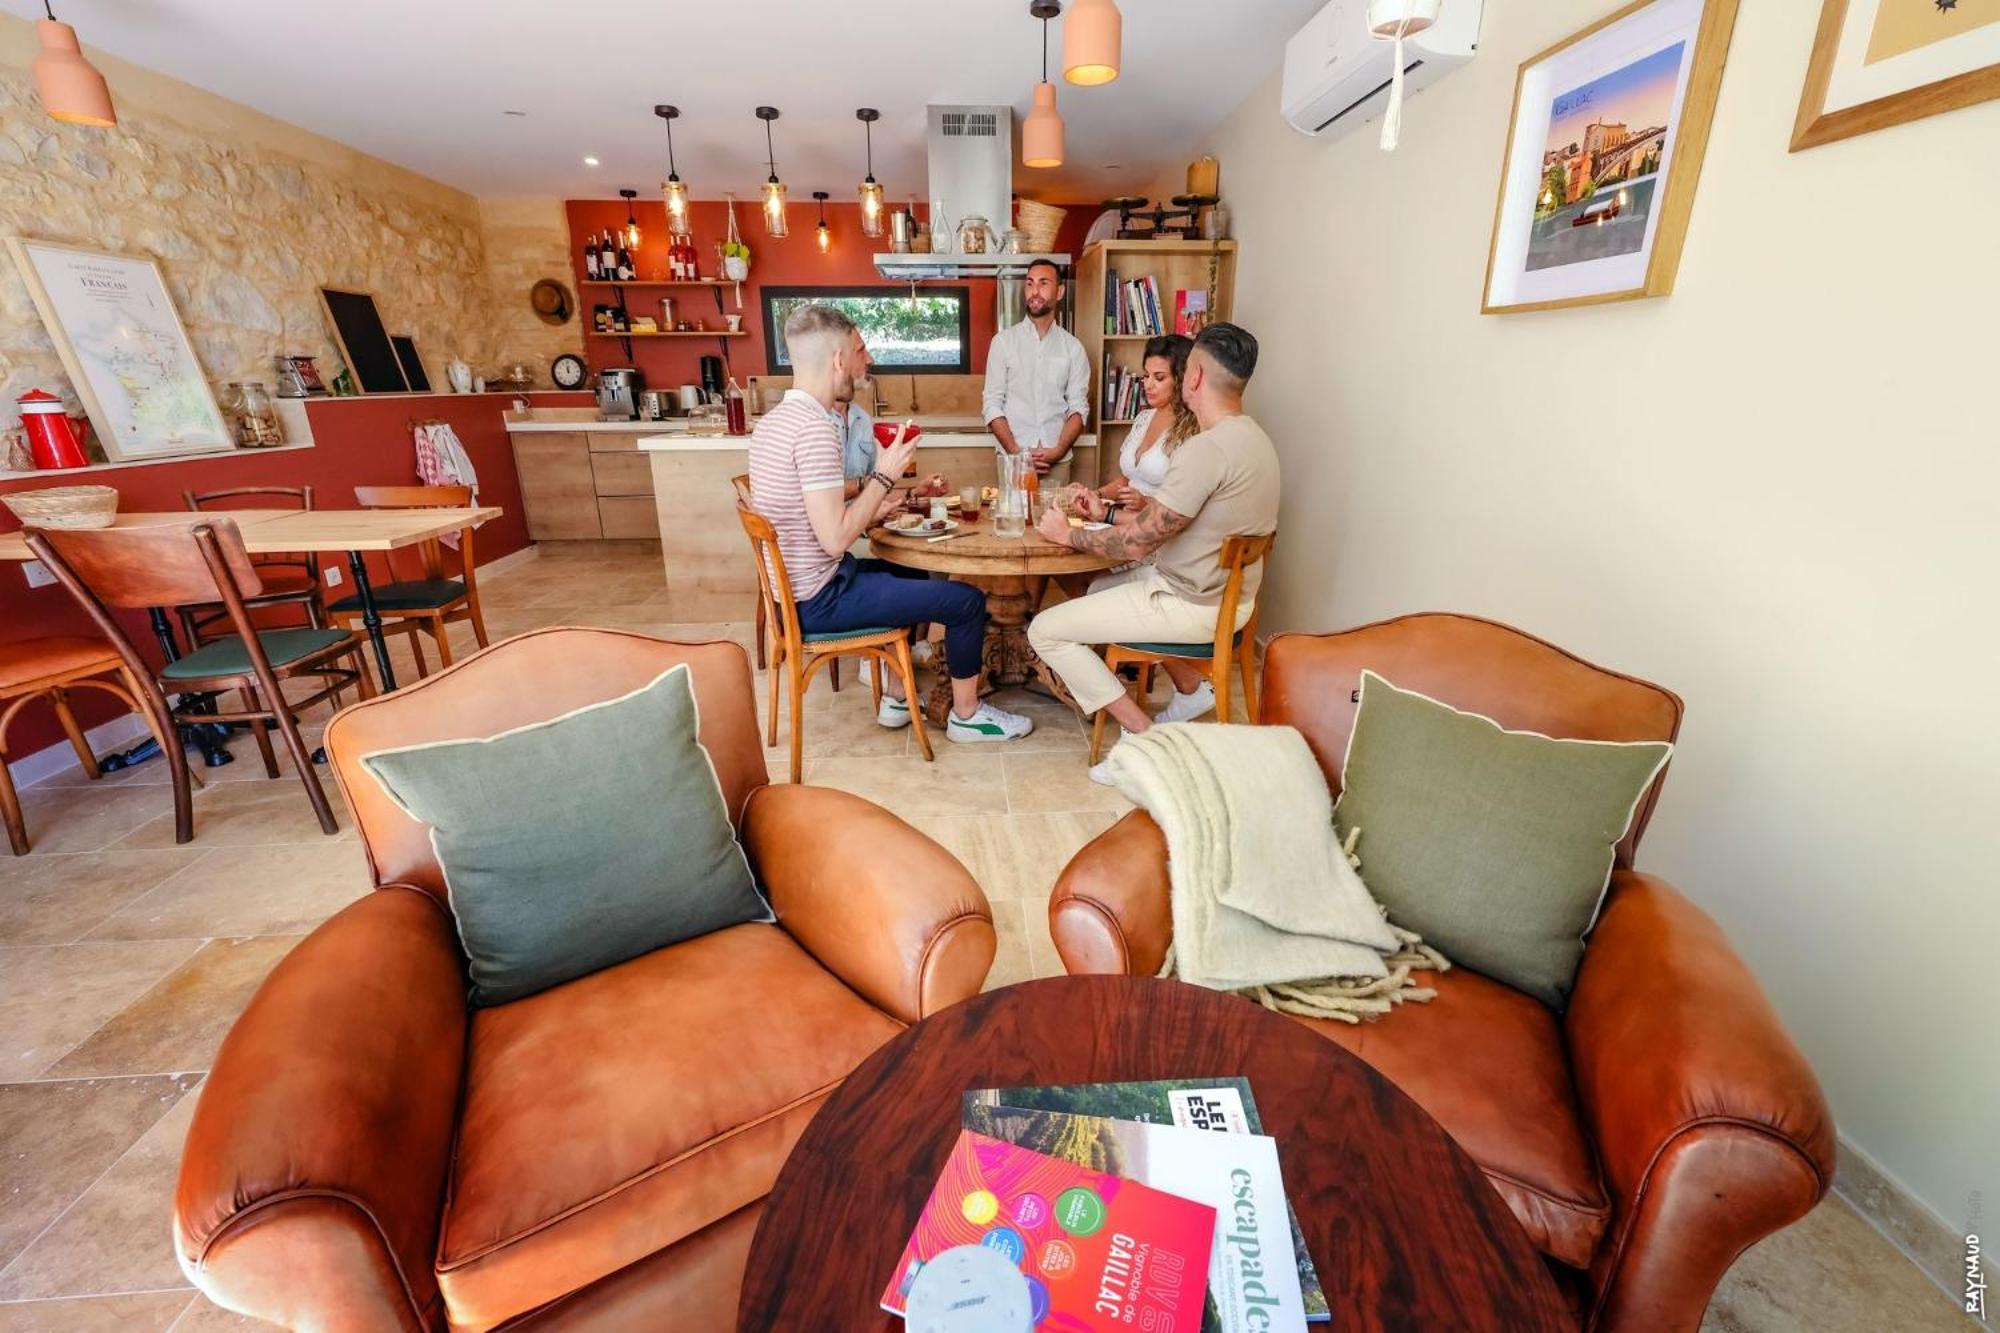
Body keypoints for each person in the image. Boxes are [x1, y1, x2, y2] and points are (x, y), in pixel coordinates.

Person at [750, 303, 1032, 742]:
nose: (868, 360)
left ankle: (898, 700)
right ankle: (967, 715)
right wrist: (884, 474)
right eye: (860, 350)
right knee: (965, 602)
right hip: (819, 600)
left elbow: (821, 519)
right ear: (839, 359)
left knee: (907, 567)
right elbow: (835, 538)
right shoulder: (816, 429)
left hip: (799, 593)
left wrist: (882, 498)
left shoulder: (772, 424)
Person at [1026, 323, 1277, 776]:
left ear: (1193, 376)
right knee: (1099, 586)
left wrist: (1068, 535)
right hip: (1227, 598)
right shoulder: (1256, 439)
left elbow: (1138, 538)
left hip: (1189, 600)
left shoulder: (1206, 450)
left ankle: (1144, 738)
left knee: (1044, 631)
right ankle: (1185, 691)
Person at [982, 259, 1091, 486]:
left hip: (1057, 462)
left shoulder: (1073, 348)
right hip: (1012, 460)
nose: (1034, 291)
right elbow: (992, 404)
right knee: (1014, 522)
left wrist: (1058, 450)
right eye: (1030, 284)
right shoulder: (1003, 343)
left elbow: (1078, 407)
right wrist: (1015, 452)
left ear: (1059, 291)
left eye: (1043, 283)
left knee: (1057, 520)